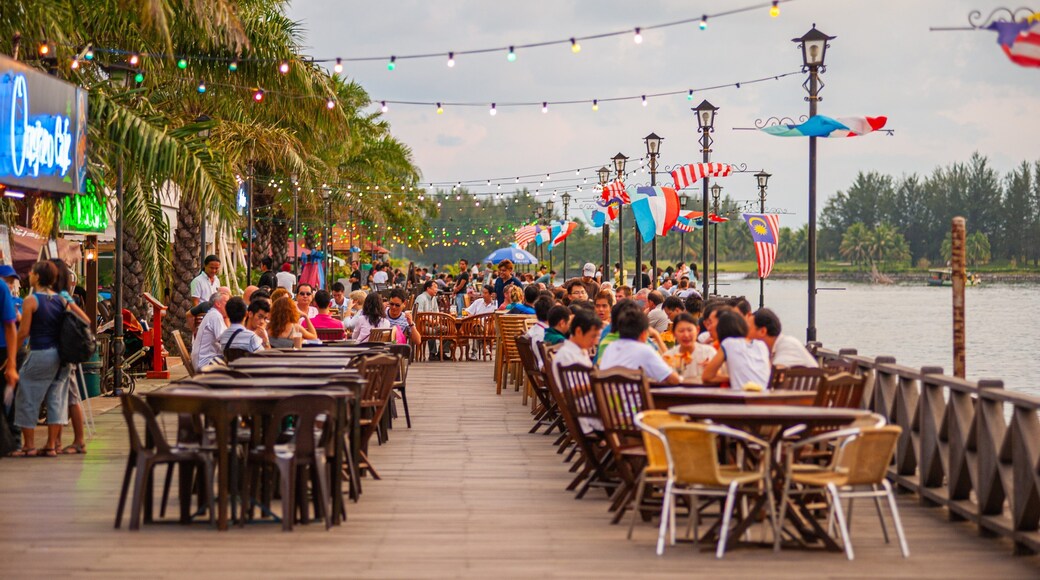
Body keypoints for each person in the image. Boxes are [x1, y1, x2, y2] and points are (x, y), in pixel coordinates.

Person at [10, 262, 79, 457]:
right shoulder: (61, 300)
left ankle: (29, 445)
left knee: (27, 395)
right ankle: (51, 445)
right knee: (55, 399)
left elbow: (23, 332)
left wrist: (12, 354)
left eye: (32, 272)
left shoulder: (31, 300)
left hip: (40, 352)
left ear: (38, 277)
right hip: (60, 356)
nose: (29, 274)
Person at [50, 259, 91, 455]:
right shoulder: (58, 295)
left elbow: (84, 319)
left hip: (64, 352)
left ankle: (72, 441)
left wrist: (65, 323)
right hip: (64, 352)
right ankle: (68, 441)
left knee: (66, 397)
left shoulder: (62, 296)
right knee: (68, 397)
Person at [598, 305, 680, 385]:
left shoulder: (610, 347)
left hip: (608, 397)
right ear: (644, 334)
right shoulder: (644, 350)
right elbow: (674, 379)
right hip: (635, 398)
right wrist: (657, 336)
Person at [703, 310, 771, 390]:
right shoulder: (761, 345)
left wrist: (730, 377)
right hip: (765, 396)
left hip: (742, 398)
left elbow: (707, 376)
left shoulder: (728, 343)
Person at [749, 308, 818, 368]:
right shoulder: (778, 347)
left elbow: (776, 374)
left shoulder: (787, 345)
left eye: (748, 328)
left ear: (762, 331)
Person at [663, 313, 717, 382]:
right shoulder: (668, 356)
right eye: (681, 331)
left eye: (689, 330)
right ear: (674, 333)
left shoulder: (709, 352)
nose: (686, 335)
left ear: (697, 330)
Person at [0, 264, 19, 421]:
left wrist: (11, 363)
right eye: (8, 280)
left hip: (4, 350)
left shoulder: (2, 289)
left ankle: (14, 438)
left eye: (12, 281)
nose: (10, 284)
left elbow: (11, 325)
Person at [191, 291, 228, 369]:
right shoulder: (215, 316)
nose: (229, 305)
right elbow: (224, 339)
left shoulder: (214, 314)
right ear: (218, 304)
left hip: (205, 360)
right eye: (227, 302)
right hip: (205, 363)